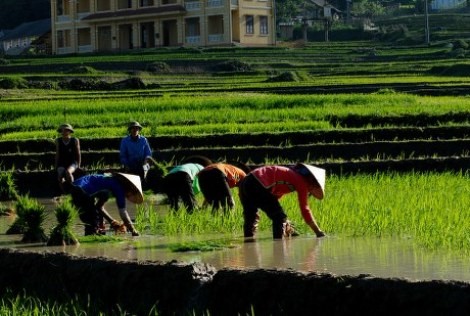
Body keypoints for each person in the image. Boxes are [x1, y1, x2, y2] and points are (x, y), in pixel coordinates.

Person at [238, 163, 326, 239]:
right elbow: (305, 209)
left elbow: (272, 199)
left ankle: (249, 245)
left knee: (251, 218)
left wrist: (286, 223)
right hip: (256, 183)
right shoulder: (301, 181)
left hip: (246, 182)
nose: (311, 190)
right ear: (312, 181)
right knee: (279, 218)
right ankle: (278, 251)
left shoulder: (290, 174)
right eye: (315, 186)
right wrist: (317, 231)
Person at [66, 172, 143, 236]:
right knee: (92, 224)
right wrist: (133, 229)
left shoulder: (108, 184)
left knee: (92, 224)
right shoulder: (118, 187)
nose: (128, 196)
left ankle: (90, 247)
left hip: (76, 188)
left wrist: (112, 222)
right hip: (82, 191)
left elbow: (99, 207)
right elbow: (123, 212)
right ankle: (91, 249)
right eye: (131, 193)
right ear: (129, 187)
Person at [55, 123, 81, 193]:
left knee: (68, 172)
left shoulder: (75, 140)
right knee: (60, 176)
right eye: (62, 130)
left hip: (73, 162)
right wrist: (56, 165)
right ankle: (65, 192)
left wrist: (79, 165)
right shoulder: (58, 141)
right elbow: (57, 154)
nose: (64, 132)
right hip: (62, 162)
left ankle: (73, 190)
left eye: (66, 130)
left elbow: (78, 153)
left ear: (70, 131)